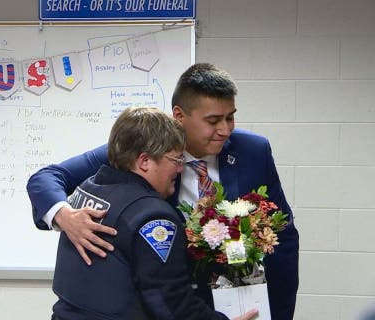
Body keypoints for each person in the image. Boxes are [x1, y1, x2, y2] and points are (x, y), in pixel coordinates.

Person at [28, 63, 299, 320]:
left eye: (230, 117)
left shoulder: (253, 151)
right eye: (213, 120)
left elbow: (283, 235)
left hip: (233, 296)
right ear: (179, 116)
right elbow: (47, 178)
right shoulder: (146, 146)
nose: (224, 130)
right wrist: (64, 216)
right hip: (172, 300)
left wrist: (280, 311)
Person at [51, 106, 257, 320]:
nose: (180, 170)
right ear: (144, 161)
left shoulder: (88, 189)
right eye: (177, 160)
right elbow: (169, 301)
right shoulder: (153, 217)